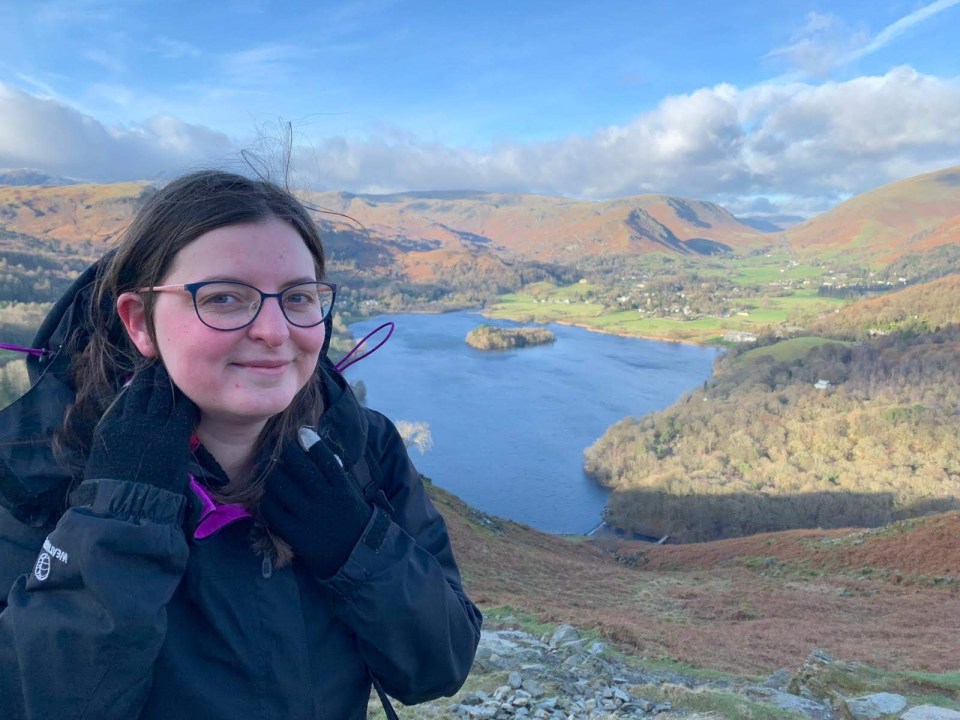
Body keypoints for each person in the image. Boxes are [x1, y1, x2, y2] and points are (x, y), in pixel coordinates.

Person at [0, 170, 482, 719]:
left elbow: (439, 666)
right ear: (139, 321)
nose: (275, 331)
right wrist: (117, 522)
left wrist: (355, 546)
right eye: (225, 297)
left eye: (299, 297)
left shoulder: (361, 447)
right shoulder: (34, 468)